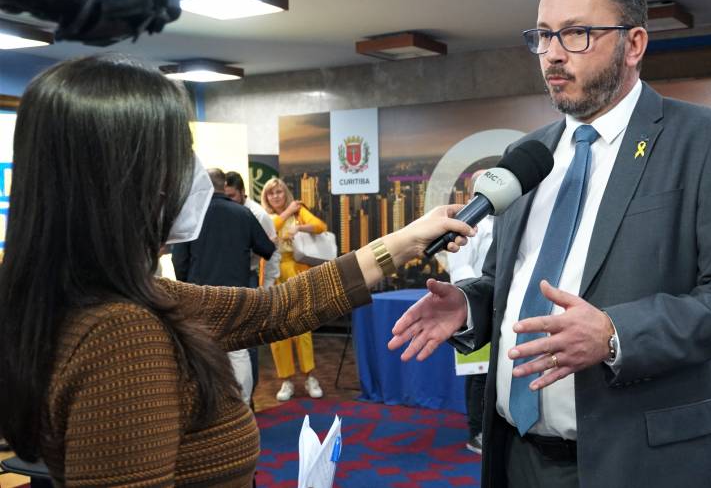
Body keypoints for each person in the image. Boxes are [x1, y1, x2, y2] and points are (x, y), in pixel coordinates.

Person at [0, 53, 474, 486]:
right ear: (126, 180)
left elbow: (277, 308)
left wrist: (406, 240)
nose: (191, 174)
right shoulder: (121, 335)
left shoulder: (113, 300)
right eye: (176, 153)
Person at [389, 0, 711, 488]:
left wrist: (615, 334)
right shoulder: (527, 154)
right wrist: (471, 306)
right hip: (515, 454)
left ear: (634, 44)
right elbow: (507, 280)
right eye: (543, 36)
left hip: (639, 462)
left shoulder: (706, 140)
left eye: (577, 34)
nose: (552, 54)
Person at [171, 167, 277, 405]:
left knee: (203, 352)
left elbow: (179, 259)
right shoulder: (242, 214)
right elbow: (267, 250)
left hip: (199, 295)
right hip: (237, 294)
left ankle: (210, 409)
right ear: (223, 185)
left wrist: (186, 285)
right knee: (238, 351)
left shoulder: (191, 216)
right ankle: (244, 407)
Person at [260, 177, 331, 401]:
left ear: (285, 193)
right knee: (277, 329)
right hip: (272, 275)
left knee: (303, 327)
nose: (276, 197)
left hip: (296, 271)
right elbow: (268, 230)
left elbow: (321, 227)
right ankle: (286, 380)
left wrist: (299, 225)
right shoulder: (263, 216)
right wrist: (286, 213)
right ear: (266, 197)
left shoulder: (298, 211)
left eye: (279, 192)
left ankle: (310, 377)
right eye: (271, 193)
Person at [447, 170, 495, 455]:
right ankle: (476, 432)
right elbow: (460, 269)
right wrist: (476, 301)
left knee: (496, 372)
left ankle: (492, 427)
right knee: (478, 374)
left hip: (503, 305)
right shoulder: (466, 221)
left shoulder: (505, 218)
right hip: (476, 305)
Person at [225, 169, 281, 396]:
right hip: (232, 278)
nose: (227, 200)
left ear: (242, 193)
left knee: (249, 340)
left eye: (231, 196)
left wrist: (265, 287)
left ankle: (252, 394)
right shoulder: (229, 213)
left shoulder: (257, 215)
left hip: (251, 279)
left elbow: (272, 252)